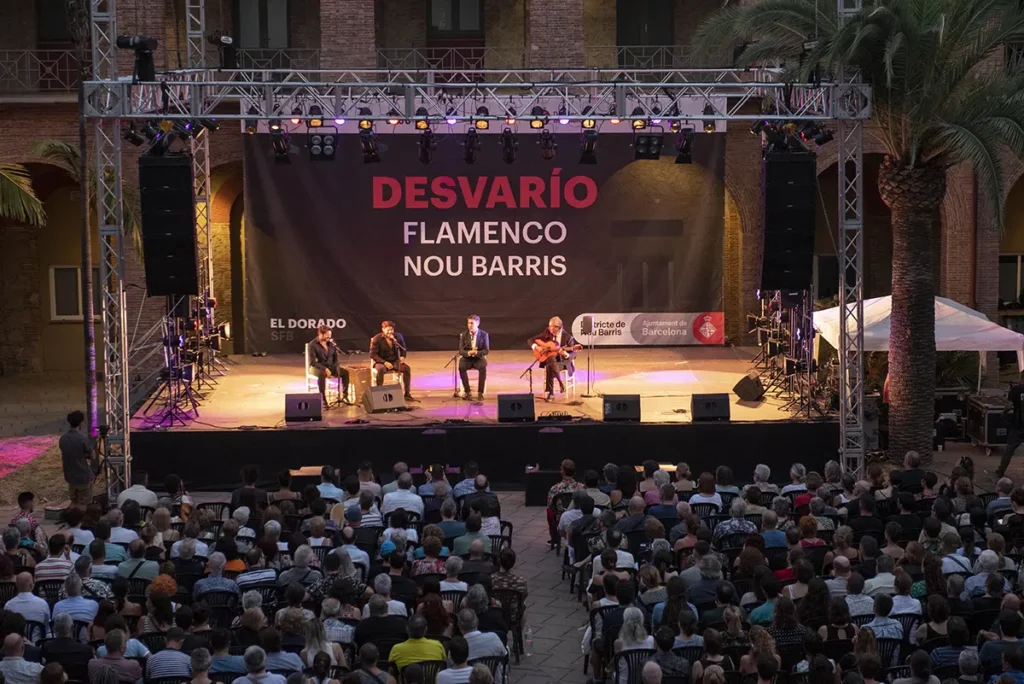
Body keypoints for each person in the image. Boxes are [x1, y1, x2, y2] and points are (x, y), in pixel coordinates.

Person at [528, 316, 578, 402]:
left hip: (562, 362)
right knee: (551, 360)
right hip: (549, 361)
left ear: (560, 328)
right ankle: (560, 383)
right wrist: (537, 347)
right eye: (549, 326)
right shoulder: (547, 332)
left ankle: (551, 393)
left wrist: (565, 354)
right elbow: (530, 340)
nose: (550, 329)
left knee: (549, 365)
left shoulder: (568, 337)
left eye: (553, 327)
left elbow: (573, 354)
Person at [370, 320, 415, 401]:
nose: (390, 332)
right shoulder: (377, 339)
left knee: (407, 369)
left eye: (392, 330)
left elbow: (403, 349)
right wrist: (385, 362)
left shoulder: (398, 337)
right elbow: (373, 354)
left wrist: (402, 356)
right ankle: (379, 393)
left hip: (394, 361)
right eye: (388, 330)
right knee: (380, 370)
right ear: (383, 329)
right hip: (381, 361)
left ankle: (407, 394)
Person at [308, 325, 351, 409]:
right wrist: (325, 369)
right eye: (327, 335)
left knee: (345, 373)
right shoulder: (312, 345)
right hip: (317, 367)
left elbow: (336, 360)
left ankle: (344, 396)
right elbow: (312, 362)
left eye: (330, 335)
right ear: (321, 334)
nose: (329, 337)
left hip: (330, 366)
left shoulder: (331, 345)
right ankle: (323, 400)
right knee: (321, 374)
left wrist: (335, 367)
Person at [59, 410, 94, 506]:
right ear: (81, 423)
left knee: (74, 503)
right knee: (84, 504)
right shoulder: (82, 439)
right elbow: (92, 456)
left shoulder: (63, 439)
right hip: (83, 476)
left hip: (70, 477)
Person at [458, 315, 489, 399]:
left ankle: (480, 392)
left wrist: (476, 353)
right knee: (461, 367)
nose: (469, 325)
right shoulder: (464, 335)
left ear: (477, 324)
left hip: (478, 358)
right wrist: (468, 353)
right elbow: (461, 351)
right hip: (467, 358)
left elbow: (486, 350)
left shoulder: (484, 335)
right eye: (468, 323)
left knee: (483, 367)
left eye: (472, 323)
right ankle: (467, 391)